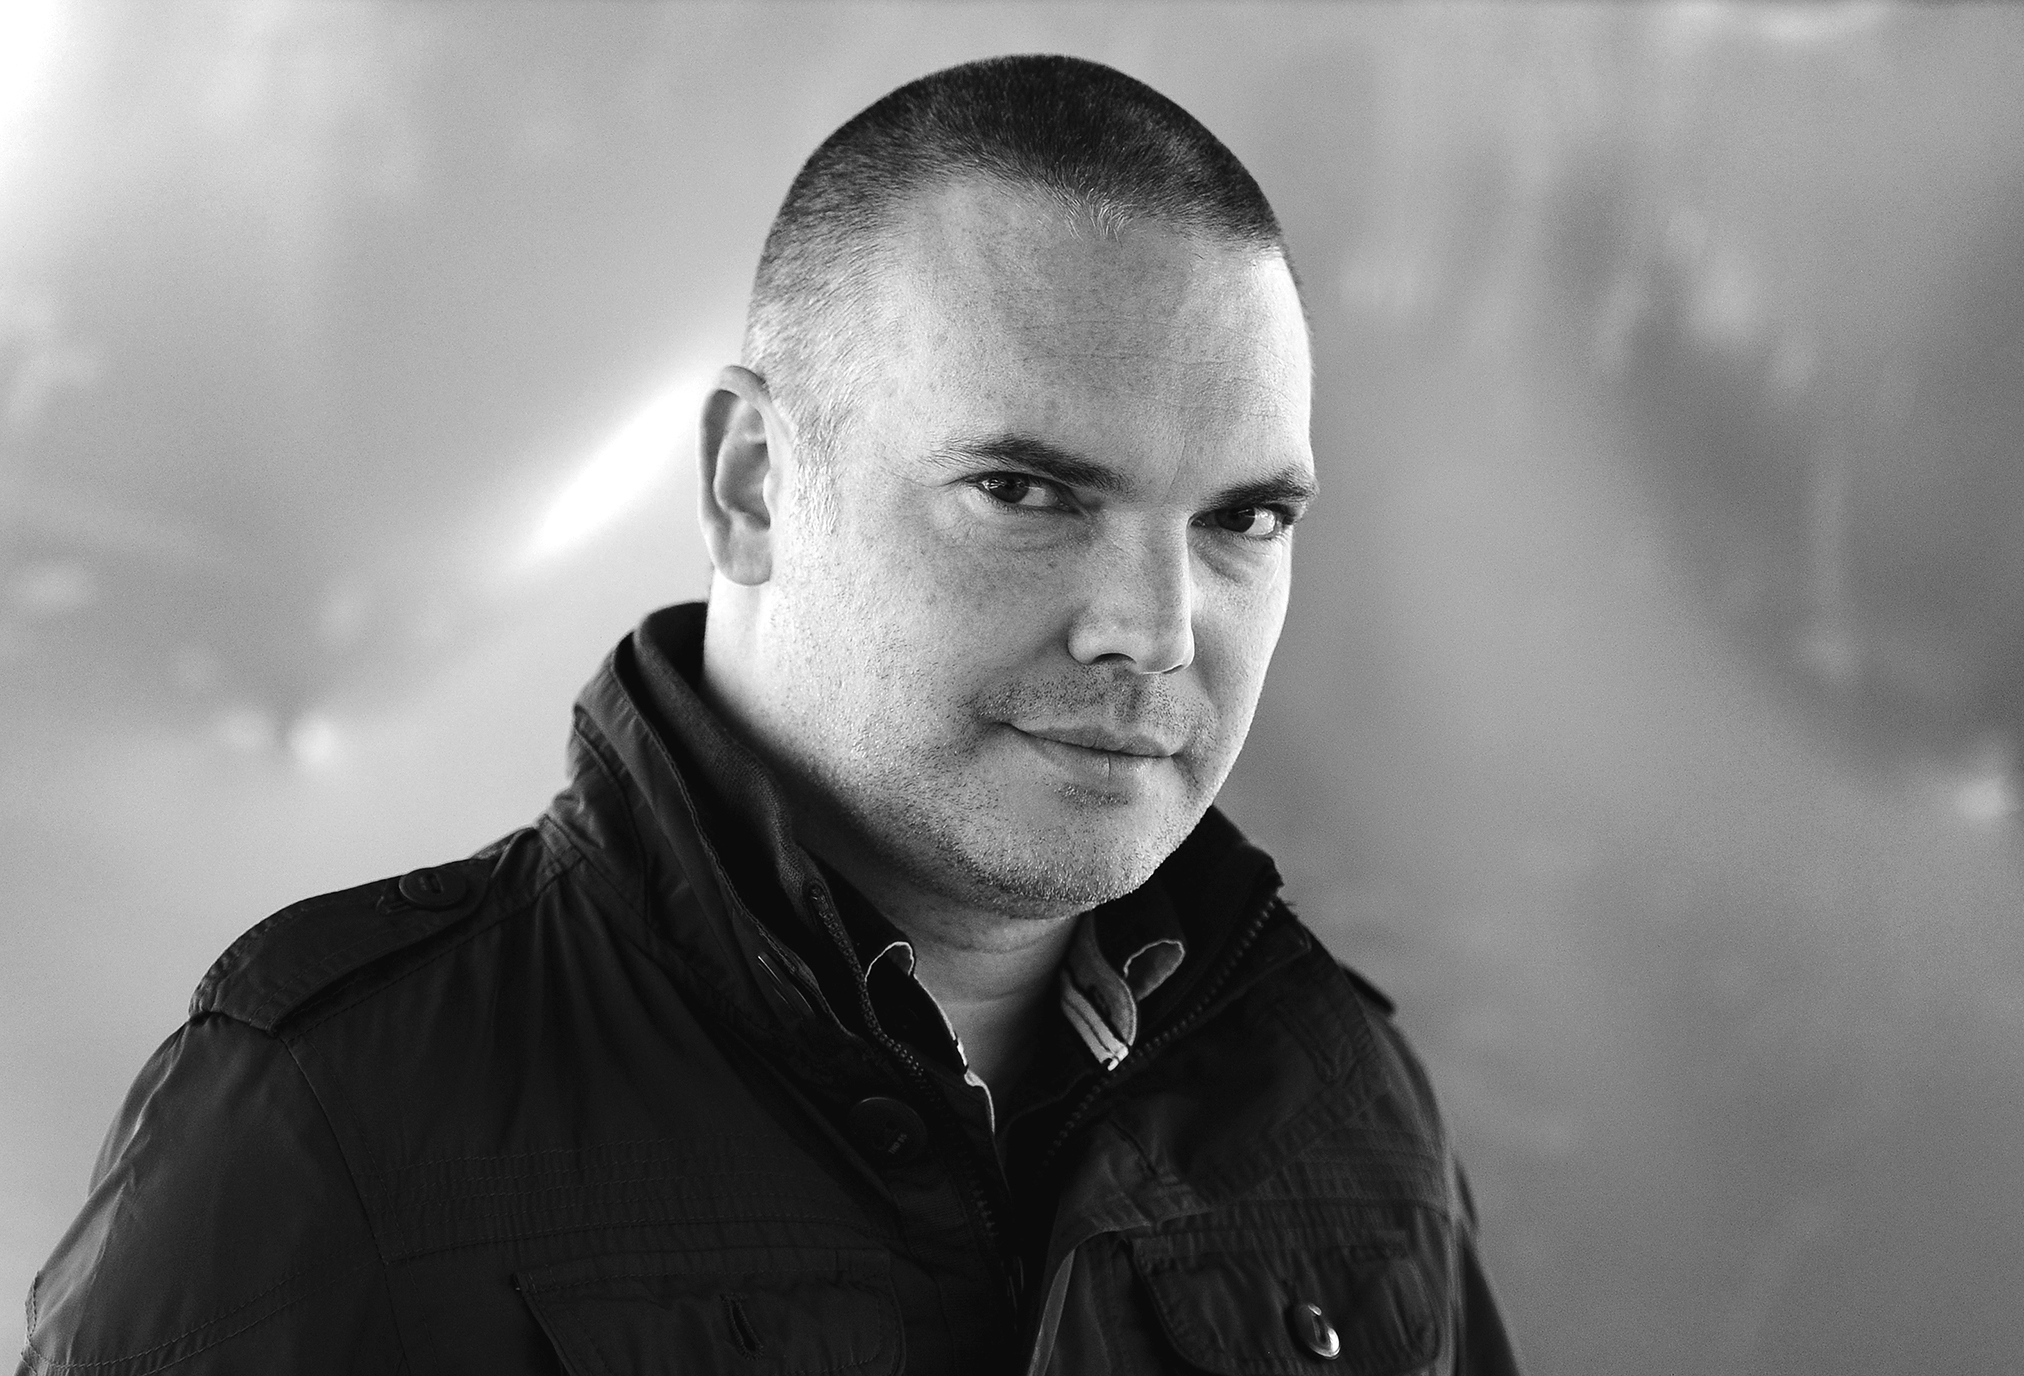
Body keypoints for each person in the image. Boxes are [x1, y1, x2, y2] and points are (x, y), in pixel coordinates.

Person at [18, 55, 1520, 1375]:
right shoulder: (337, 1119)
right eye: (1025, 491)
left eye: (1244, 519)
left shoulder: (1339, 1100)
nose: (1158, 628)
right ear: (752, 484)